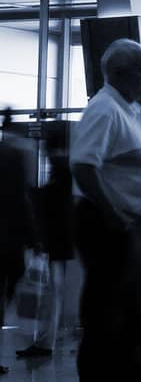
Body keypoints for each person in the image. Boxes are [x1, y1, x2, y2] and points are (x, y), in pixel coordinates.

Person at [70, 40, 141, 382]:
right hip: (111, 229)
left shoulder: (127, 110)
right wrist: (114, 216)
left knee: (132, 321)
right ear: (123, 74)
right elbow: (84, 167)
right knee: (109, 322)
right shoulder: (105, 110)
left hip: (128, 228)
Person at [17, 121, 75, 360]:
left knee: (52, 293)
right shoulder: (65, 169)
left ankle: (45, 342)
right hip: (61, 243)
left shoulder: (61, 169)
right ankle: (46, 340)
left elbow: (53, 204)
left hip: (55, 243)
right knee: (55, 292)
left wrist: (33, 193)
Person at [0, 109, 38, 376]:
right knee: (6, 291)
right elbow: (20, 200)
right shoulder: (15, 157)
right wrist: (33, 238)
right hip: (8, 240)